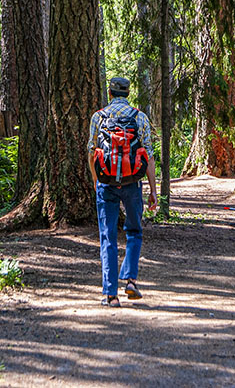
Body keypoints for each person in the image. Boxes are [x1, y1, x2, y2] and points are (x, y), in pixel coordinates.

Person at [88, 76, 157, 307]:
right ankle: (130, 280)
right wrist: (153, 190)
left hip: (106, 183)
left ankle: (110, 294)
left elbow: (91, 150)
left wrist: (97, 180)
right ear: (128, 94)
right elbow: (148, 156)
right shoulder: (140, 118)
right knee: (134, 231)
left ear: (110, 93)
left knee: (107, 236)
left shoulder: (98, 117)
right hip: (132, 183)